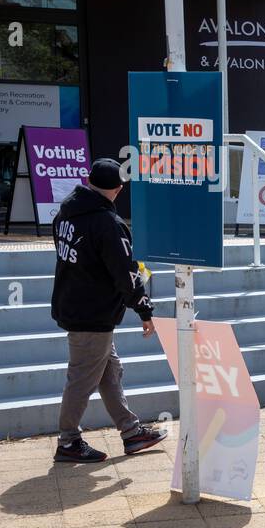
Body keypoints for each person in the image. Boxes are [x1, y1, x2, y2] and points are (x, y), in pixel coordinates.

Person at [50, 158, 167, 462]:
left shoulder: (65, 212)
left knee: (109, 372)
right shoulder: (108, 224)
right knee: (81, 379)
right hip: (92, 314)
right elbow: (125, 272)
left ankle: (131, 432)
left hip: (76, 305)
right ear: (118, 189)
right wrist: (144, 309)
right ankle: (68, 441)